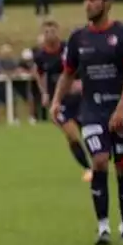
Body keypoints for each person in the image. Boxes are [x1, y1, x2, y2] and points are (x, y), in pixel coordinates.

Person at [50, 0, 123, 245]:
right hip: (92, 111)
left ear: (107, 3)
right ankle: (103, 227)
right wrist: (56, 101)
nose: (88, 4)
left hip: (122, 109)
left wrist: (122, 106)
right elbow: (68, 72)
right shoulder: (79, 38)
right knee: (100, 160)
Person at [33, 20, 91, 182]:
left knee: (88, 131)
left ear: (58, 32)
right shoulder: (40, 56)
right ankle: (88, 168)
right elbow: (38, 73)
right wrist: (44, 93)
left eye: (52, 31)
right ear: (43, 34)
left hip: (78, 99)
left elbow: (83, 65)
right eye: (46, 32)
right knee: (71, 135)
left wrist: (80, 82)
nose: (50, 34)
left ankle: (100, 161)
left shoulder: (68, 49)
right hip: (59, 102)